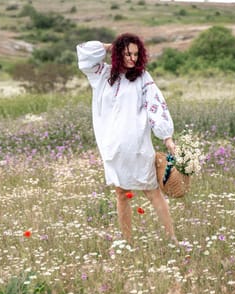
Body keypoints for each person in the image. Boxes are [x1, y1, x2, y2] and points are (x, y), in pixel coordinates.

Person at [76, 33, 177, 244]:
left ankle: (172, 238)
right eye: (127, 53)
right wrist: (110, 46)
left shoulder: (142, 77)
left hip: (137, 144)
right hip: (113, 146)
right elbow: (84, 51)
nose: (132, 58)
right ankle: (128, 241)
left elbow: (155, 105)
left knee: (152, 191)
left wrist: (167, 137)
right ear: (118, 53)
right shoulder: (101, 74)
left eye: (135, 54)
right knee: (121, 193)